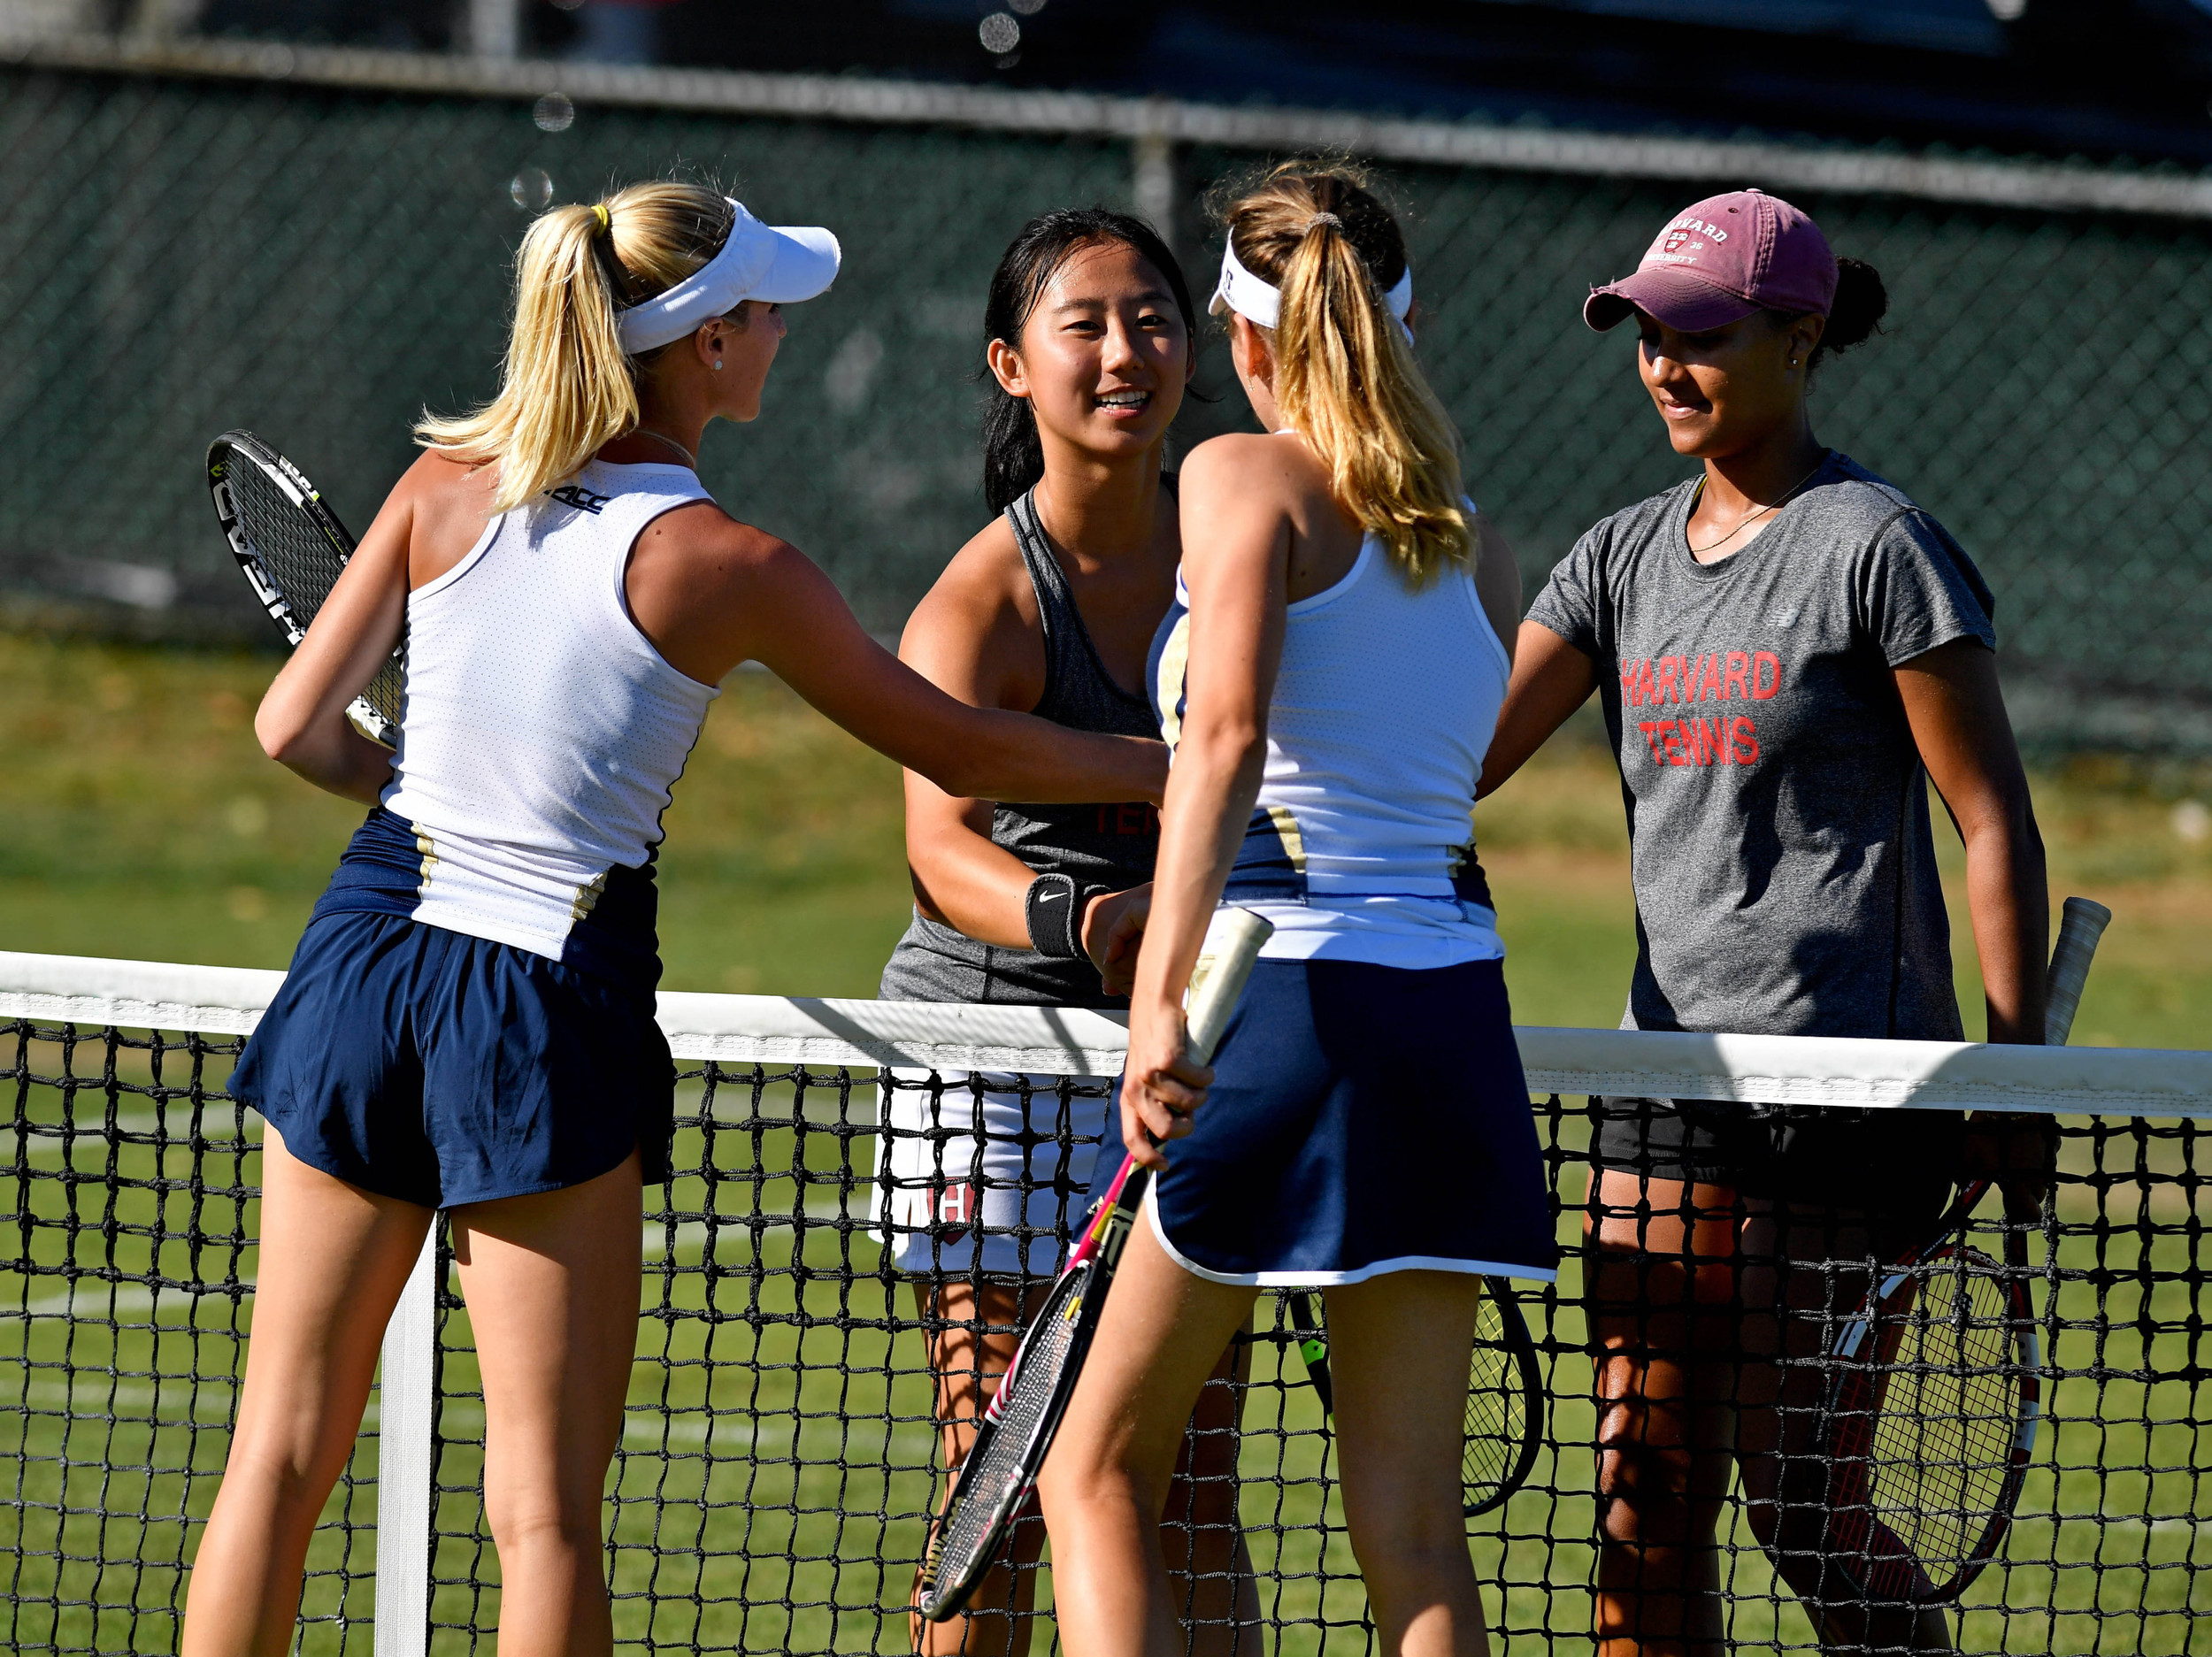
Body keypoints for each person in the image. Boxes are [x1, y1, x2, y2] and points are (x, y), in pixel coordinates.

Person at [178, 180, 1165, 1657]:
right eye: (762, 309)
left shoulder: (445, 483)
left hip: (361, 957)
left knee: (274, 1455)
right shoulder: (731, 566)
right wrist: (1177, 766)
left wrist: (429, 802)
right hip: (538, 1006)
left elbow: (290, 728)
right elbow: (958, 747)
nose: (777, 329)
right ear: (705, 346)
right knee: (548, 1516)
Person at [1477, 188, 2052, 1656]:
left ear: (1800, 339)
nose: (1665, 364)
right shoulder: (1611, 561)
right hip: (1667, 1090)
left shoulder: (1878, 546)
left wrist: (2015, 1069)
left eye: (1701, 335)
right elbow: (1454, 764)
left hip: (1850, 1101)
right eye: (1647, 336)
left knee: (1800, 1497)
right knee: (1641, 1495)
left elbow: (1993, 819)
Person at [1034, 161, 1558, 1657]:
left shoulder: (1234, 478)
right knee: (1413, 1534)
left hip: (1287, 1017)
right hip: (1455, 1022)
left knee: (1096, 1470)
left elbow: (1223, 742)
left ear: (1246, 333)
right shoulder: (1474, 540)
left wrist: (1157, 1012)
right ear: (1408, 321)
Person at [872, 207, 1256, 1657]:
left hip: (1177, 1067)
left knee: (1193, 1483)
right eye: (1082, 323)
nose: (1123, 351)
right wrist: (1090, 916)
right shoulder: (980, 601)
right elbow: (935, 849)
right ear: (1011, 366)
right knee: (1005, 1484)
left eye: (1152, 318)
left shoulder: (1238, 561)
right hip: (991, 1061)